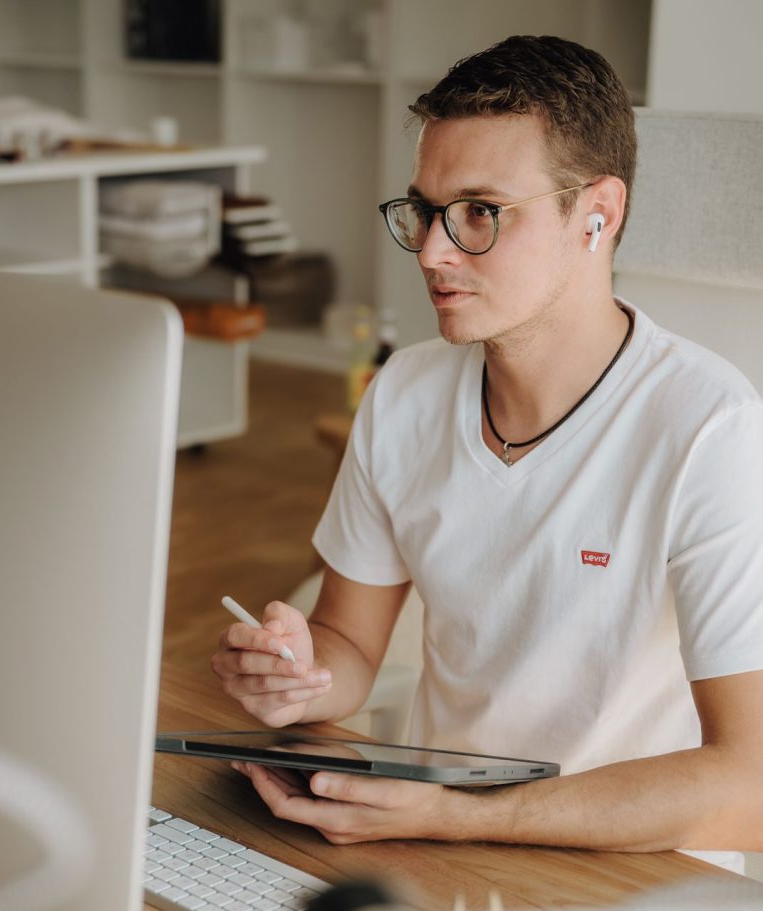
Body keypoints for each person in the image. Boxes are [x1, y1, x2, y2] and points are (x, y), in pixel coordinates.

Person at [210, 35, 763, 864]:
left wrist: (462, 815)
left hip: (629, 872)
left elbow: (749, 790)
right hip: (428, 844)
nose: (433, 251)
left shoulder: (708, 430)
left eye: (479, 212)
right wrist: (296, 674)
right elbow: (350, 647)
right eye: (425, 211)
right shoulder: (403, 393)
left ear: (597, 214)